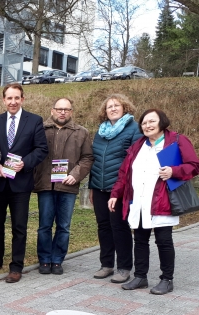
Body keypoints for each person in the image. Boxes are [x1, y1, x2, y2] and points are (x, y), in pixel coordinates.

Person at [109, 109, 199, 294]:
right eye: (144, 123)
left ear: (161, 122)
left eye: (152, 121)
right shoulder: (138, 145)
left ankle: (167, 279)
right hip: (139, 201)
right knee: (140, 239)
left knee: (163, 240)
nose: (148, 126)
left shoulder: (176, 140)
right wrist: (115, 194)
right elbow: (124, 173)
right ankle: (140, 276)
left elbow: (194, 165)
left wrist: (174, 171)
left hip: (161, 200)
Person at [0, 83, 49, 283]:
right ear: (4, 100)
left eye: (16, 98)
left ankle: (16, 266)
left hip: (21, 183)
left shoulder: (34, 121)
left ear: (22, 99)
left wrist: (24, 163)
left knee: (19, 226)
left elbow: (41, 149)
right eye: (9, 98)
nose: (13, 102)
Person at [33, 98, 93, 275]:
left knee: (64, 226)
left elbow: (87, 158)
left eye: (66, 109)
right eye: (59, 109)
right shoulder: (40, 130)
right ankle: (44, 259)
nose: (62, 112)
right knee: (44, 225)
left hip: (68, 186)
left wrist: (75, 175)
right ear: (52, 110)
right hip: (45, 184)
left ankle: (57, 259)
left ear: (71, 112)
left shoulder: (81, 132)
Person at [89, 94, 142, 283]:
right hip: (99, 185)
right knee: (103, 226)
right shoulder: (101, 131)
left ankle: (124, 267)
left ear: (125, 107)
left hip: (119, 187)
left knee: (119, 226)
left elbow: (134, 159)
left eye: (116, 105)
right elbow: (94, 159)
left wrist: (122, 187)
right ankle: (107, 264)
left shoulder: (134, 129)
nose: (112, 108)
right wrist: (92, 186)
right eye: (109, 106)